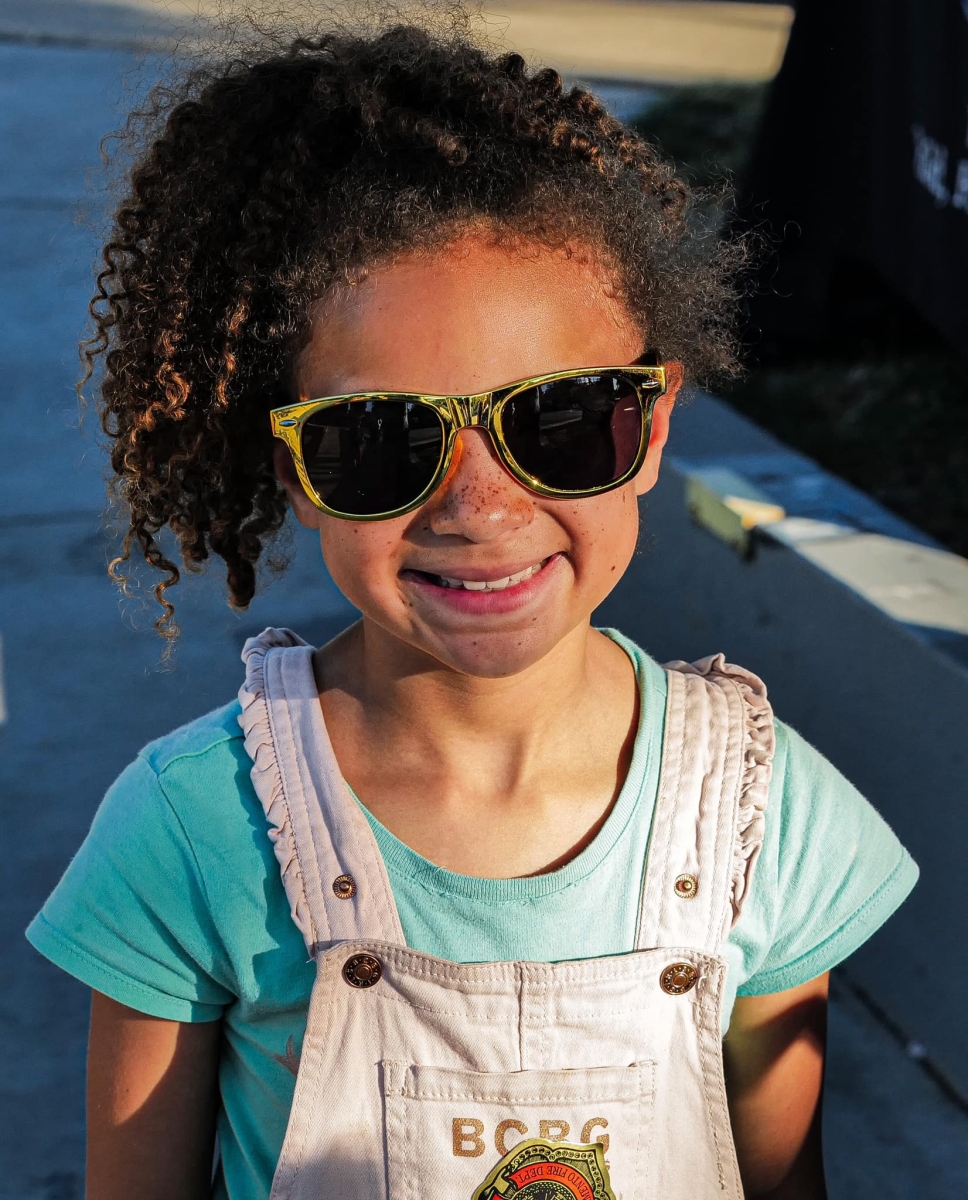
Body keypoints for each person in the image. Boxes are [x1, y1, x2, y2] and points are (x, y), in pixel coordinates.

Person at [27, 18, 917, 1200]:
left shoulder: (764, 816)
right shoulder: (192, 835)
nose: (479, 505)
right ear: (293, 467)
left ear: (651, 425)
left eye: (561, 420)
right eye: (379, 439)